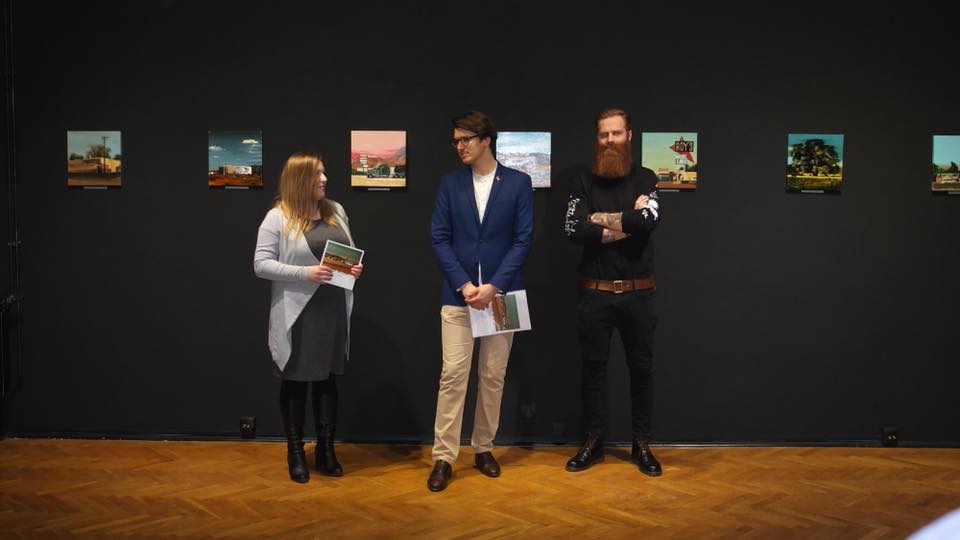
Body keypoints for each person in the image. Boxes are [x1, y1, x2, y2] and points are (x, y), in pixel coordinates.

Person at [427, 111, 533, 492]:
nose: (459, 146)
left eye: (466, 139)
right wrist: (464, 284)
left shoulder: (519, 183)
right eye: (456, 140)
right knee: (453, 375)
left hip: (505, 296)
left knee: (493, 375)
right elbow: (439, 237)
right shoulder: (450, 183)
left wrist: (495, 286)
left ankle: (484, 447)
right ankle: (443, 456)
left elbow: (523, 240)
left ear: (486, 140)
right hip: (458, 296)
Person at [563, 108, 663, 476]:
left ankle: (641, 443)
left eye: (616, 133)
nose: (610, 140)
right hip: (595, 293)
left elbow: (649, 220)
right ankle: (594, 441)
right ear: (597, 138)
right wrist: (627, 222)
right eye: (604, 134)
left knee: (642, 369)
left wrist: (597, 219)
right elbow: (572, 228)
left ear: (629, 136)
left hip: (639, 293)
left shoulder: (646, 177)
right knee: (593, 369)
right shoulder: (583, 180)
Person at [254, 152, 363, 483]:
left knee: (327, 380)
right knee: (296, 382)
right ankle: (296, 452)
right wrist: (305, 273)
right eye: (318, 174)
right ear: (300, 179)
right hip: (299, 313)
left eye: (324, 173)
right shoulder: (277, 217)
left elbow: (347, 253)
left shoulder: (336, 211)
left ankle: (327, 450)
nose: (325, 179)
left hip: (332, 310)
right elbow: (260, 264)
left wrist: (354, 269)